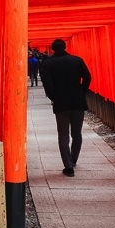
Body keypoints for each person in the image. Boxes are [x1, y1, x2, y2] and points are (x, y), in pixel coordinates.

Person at [39, 38, 92, 176]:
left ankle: (68, 166)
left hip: (61, 102)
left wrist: (53, 97)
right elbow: (87, 77)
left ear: (52, 48)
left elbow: (47, 83)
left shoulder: (48, 63)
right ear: (65, 46)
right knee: (77, 133)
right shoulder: (77, 60)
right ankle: (73, 159)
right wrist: (82, 91)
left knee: (63, 135)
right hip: (77, 101)